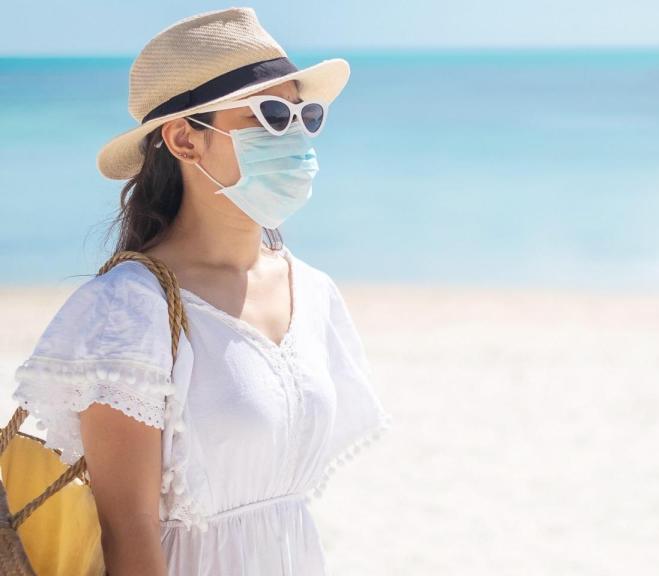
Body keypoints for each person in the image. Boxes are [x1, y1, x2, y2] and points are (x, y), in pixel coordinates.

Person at [10, 7, 392, 575]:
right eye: (268, 115)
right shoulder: (128, 309)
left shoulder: (312, 291)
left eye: (305, 114)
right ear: (184, 138)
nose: (295, 135)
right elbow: (128, 534)